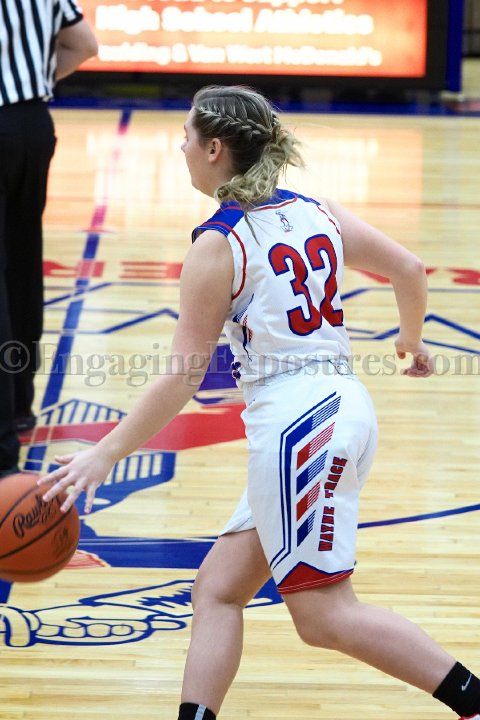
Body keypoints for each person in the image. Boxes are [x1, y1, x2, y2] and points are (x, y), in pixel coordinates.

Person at [38, 85, 480, 720]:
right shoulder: (315, 209)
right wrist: (410, 340)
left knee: (324, 616)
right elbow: (408, 268)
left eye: (187, 136)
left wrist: (104, 454)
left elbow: (184, 376)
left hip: (300, 429)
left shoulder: (219, 242)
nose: (181, 147)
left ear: (215, 149)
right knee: (218, 589)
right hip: (343, 407)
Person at [0, 0, 98, 477]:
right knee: (21, 264)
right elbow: (84, 44)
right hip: (32, 124)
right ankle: (19, 403)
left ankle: (2, 434)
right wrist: (34, 80)